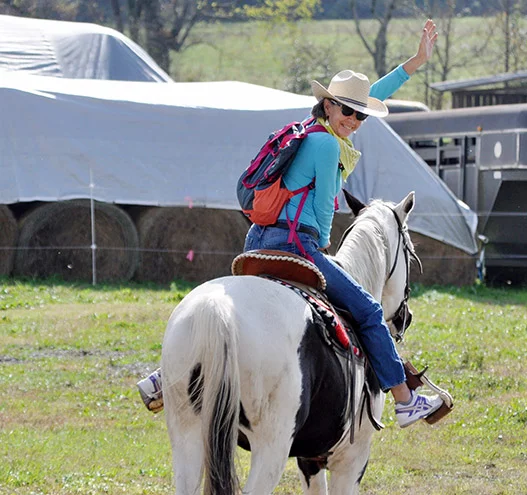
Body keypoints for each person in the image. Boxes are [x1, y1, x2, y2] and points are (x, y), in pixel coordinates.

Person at [138, 19, 444, 427]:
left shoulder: (312, 129)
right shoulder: (324, 145)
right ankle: (405, 400)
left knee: (227, 308)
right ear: (330, 105)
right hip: (296, 246)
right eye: (348, 111)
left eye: (360, 116)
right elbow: (321, 207)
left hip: (257, 241)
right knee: (370, 311)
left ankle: (165, 377)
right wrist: (321, 250)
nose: (354, 120)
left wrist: (415, 63)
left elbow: (372, 96)